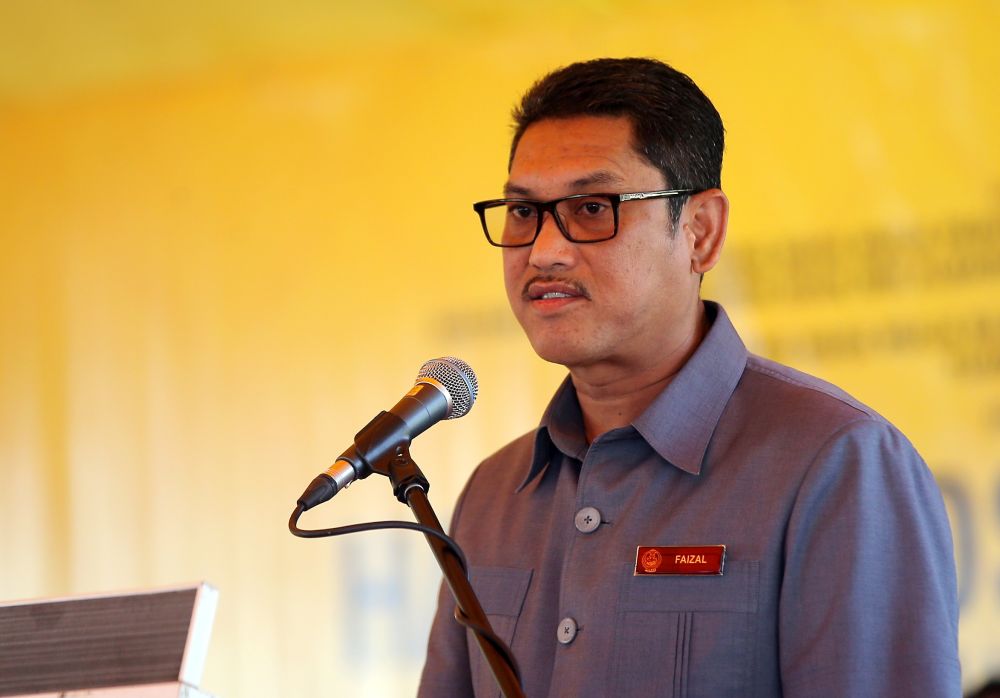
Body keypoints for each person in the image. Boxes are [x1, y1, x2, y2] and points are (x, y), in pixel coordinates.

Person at [417, 57, 960, 697]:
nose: (544, 251)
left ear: (701, 232)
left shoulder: (837, 464)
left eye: (593, 207)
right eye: (522, 212)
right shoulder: (493, 494)